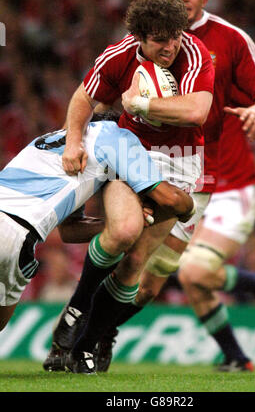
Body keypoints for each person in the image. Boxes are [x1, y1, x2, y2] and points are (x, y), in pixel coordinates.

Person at [78, 0, 255, 374]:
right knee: (142, 272)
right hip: (161, 169)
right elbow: (103, 88)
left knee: (175, 276)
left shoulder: (230, 39)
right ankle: (94, 335)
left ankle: (96, 330)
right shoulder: (141, 39)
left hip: (223, 177)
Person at [0, 110, 195, 333]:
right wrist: (191, 207)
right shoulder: (118, 137)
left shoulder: (52, 140)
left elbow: (69, 231)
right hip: (14, 233)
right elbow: (170, 199)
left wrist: (114, 226)